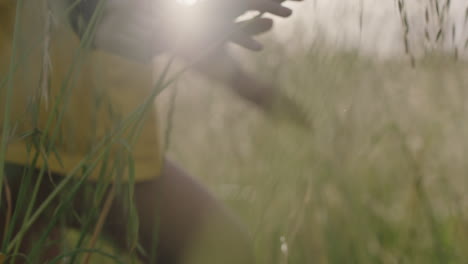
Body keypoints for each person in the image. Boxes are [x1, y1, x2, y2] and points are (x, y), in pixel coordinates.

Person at [0, 0, 302, 263]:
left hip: (118, 145)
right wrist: (174, 24)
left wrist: (245, 84)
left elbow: (154, 20)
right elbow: (75, 12)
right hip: (17, 146)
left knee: (225, 250)